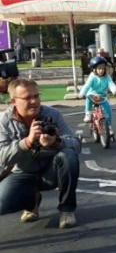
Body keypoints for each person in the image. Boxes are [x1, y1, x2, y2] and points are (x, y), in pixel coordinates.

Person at [0, 78, 81, 229]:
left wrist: (56, 142)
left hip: (51, 171)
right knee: (2, 203)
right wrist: (28, 142)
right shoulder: (4, 122)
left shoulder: (53, 114)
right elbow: (2, 157)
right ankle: (31, 202)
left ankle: (67, 210)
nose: (34, 101)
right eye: (27, 98)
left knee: (68, 155)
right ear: (13, 101)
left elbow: (76, 143)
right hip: (22, 173)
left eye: (36, 96)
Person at [78, 56, 116, 134]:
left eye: (103, 68)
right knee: (88, 99)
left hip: (102, 97)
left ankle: (109, 126)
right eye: (99, 68)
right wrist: (82, 94)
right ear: (94, 69)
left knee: (108, 110)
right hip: (92, 95)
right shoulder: (92, 76)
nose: (101, 70)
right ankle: (88, 113)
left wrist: (114, 91)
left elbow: (111, 84)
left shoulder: (107, 76)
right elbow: (87, 86)